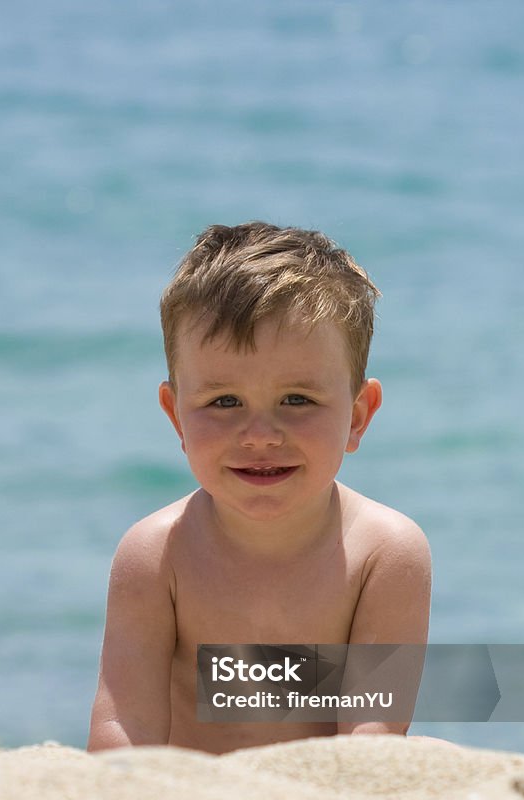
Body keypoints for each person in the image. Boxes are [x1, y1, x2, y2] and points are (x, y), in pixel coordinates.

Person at [87, 221, 432, 754]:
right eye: (224, 402)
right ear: (177, 418)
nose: (260, 435)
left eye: (298, 400)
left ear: (358, 416)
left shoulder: (384, 553)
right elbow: (123, 729)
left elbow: (374, 739)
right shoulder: (156, 555)